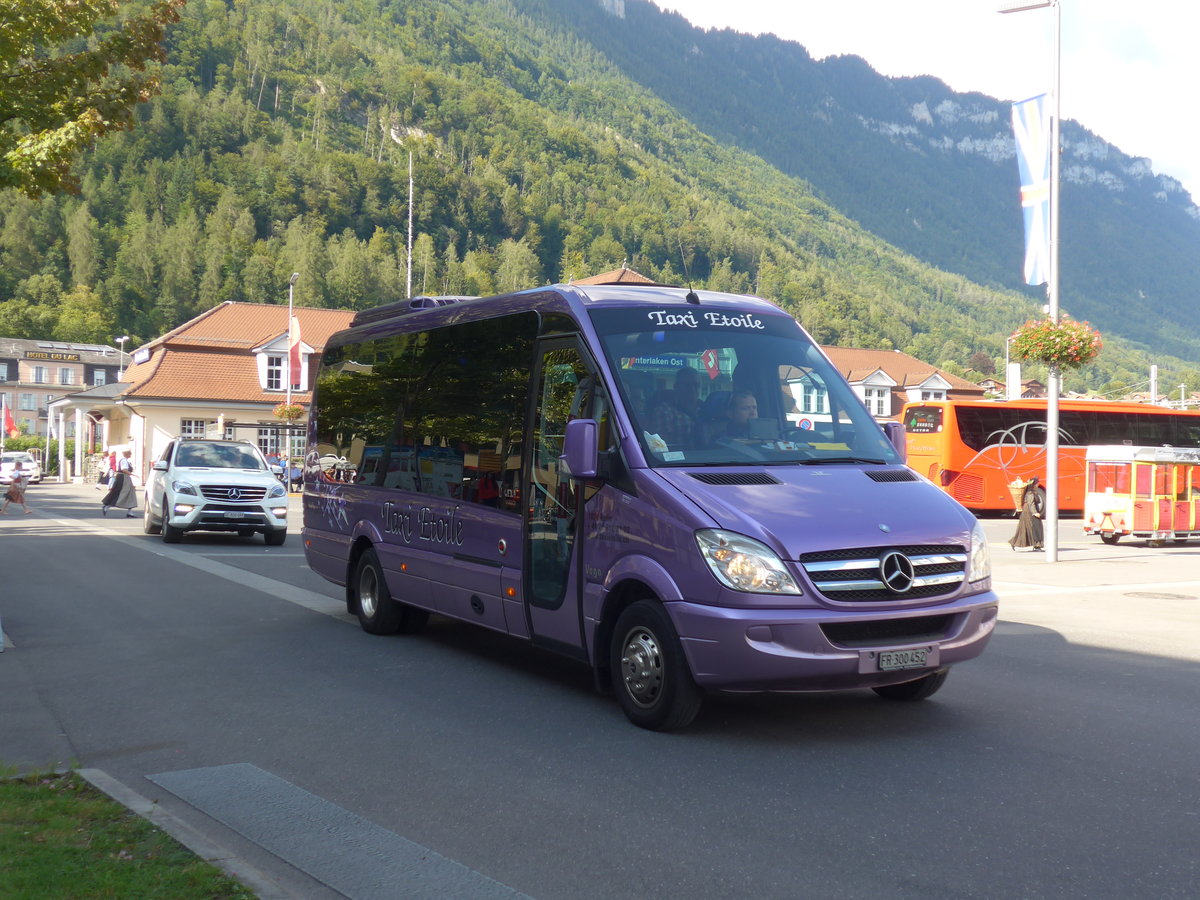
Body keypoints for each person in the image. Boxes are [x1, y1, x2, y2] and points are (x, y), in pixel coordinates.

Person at [646, 366, 702, 447]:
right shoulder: (664, 411)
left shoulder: (706, 410)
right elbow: (663, 448)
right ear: (676, 387)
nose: (693, 389)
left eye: (696, 385)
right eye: (688, 385)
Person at [1009, 476, 1044, 551]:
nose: (1038, 484)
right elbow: (1031, 504)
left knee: (1026, 529)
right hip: (1028, 513)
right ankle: (1037, 545)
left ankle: (1036, 545)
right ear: (1034, 484)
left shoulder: (1032, 492)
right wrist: (1035, 513)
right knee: (1034, 528)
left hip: (1028, 512)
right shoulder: (1030, 493)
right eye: (1037, 483)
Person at [101, 449, 138, 518]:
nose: (130, 455)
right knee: (120, 493)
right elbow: (124, 470)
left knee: (130, 493)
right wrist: (133, 474)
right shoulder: (124, 461)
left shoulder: (125, 460)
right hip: (123, 478)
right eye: (130, 453)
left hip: (125, 478)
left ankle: (130, 512)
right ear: (126, 454)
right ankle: (107, 506)